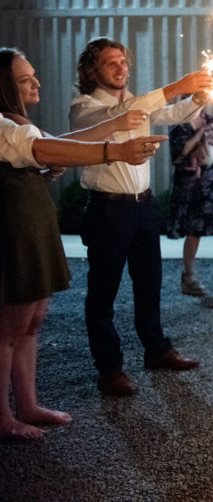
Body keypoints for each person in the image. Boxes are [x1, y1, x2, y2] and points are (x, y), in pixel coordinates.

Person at [0, 50, 164, 440]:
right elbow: (42, 149)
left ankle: (28, 405)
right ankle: (3, 418)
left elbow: (55, 144)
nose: (36, 83)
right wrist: (114, 151)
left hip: (35, 226)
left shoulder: (19, 123)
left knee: (33, 323)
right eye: (25, 79)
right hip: (13, 229)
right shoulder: (2, 125)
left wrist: (113, 131)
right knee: (8, 329)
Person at [69, 38, 212, 397]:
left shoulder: (136, 103)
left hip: (143, 207)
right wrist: (176, 87)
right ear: (93, 71)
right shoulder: (84, 107)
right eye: (111, 63)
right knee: (103, 291)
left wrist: (196, 100)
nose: (121, 67)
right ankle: (110, 368)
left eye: (123, 61)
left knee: (149, 281)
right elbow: (124, 115)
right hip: (108, 209)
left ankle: (157, 349)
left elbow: (170, 115)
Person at [167, 111, 213, 296]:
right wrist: (200, 135)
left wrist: (210, 140)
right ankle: (188, 277)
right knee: (194, 231)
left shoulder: (211, 120)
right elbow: (180, 151)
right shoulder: (179, 124)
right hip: (192, 186)